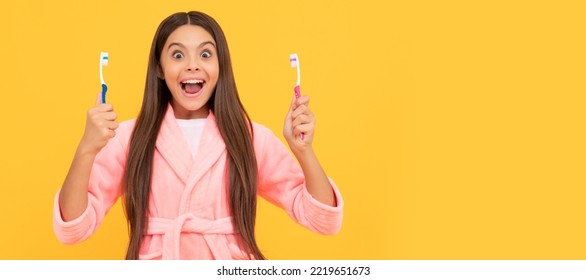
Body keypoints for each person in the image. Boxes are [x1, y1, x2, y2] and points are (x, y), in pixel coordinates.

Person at [53, 11, 343, 260]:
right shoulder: (130, 138)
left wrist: (303, 151)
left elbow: (323, 219)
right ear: (159, 68)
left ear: (220, 66)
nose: (192, 64)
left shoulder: (250, 138)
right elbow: (73, 228)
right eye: (178, 55)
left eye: (205, 54)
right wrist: (86, 150)